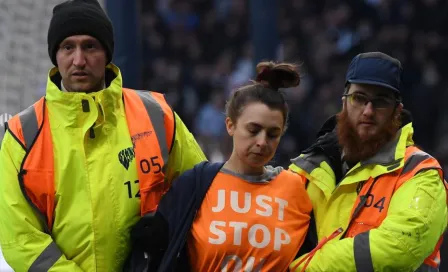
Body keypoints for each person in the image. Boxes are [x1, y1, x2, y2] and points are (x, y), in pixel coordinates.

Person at [0, 0, 206, 271]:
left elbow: (203, 194)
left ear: (107, 52)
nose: (79, 60)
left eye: (90, 46)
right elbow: (19, 238)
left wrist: (170, 227)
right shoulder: (22, 135)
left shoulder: (157, 115)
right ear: (55, 55)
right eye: (67, 47)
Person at [128, 61, 313, 271]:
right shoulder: (196, 185)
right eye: (253, 130)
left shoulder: (296, 189)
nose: (262, 142)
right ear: (230, 125)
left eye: (273, 134)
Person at [289, 52, 448, 271]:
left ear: (397, 111)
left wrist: (304, 268)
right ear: (344, 102)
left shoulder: (419, 171)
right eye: (359, 98)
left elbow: (400, 248)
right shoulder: (307, 169)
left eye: (380, 101)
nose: (368, 111)